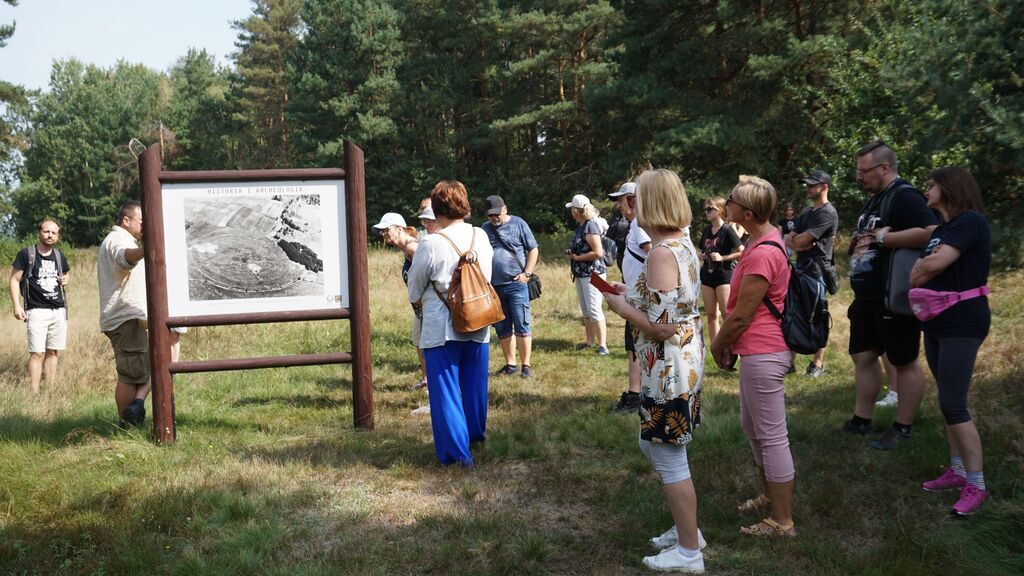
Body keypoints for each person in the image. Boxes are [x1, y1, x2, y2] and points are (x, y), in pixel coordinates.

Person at [603, 168, 707, 572]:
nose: (632, 206)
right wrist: (635, 293)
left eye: (638, 198)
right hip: (676, 363)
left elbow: (663, 326)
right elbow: (671, 304)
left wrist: (622, 307)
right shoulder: (680, 245)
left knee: (668, 456)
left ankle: (688, 551)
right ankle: (688, 531)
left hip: (668, 367)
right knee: (654, 444)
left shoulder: (663, 252)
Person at [710, 175, 797, 538]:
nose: (724, 205)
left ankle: (782, 521)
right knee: (755, 429)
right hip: (758, 351)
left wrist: (717, 344)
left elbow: (743, 314)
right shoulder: (762, 241)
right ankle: (770, 495)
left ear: (745, 212)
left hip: (764, 351)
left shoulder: (762, 253)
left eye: (729, 201)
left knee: (772, 436)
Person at [843, 140, 938, 450]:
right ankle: (861, 420)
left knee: (904, 360)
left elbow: (931, 231)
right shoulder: (875, 199)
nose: (859, 176)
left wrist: (886, 238)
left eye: (864, 170)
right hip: (867, 296)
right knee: (864, 355)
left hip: (892, 294)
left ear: (884, 168)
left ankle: (903, 427)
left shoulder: (905, 197)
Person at [910, 166, 992, 515]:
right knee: (947, 399)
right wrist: (923, 268)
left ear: (949, 187)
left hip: (963, 320)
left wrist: (922, 269)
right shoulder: (943, 228)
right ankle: (957, 471)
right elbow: (925, 266)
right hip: (937, 320)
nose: (926, 190)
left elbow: (932, 265)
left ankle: (977, 484)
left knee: (954, 402)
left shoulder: (970, 222)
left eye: (931, 185)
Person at [406, 180, 494, 466]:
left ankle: (457, 455)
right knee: (474, 384)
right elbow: (487, 276)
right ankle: (475, 436)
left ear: (437, 208)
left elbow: (414, 288)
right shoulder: (480, 235)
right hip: (477, 317)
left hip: (441, 325)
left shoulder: (430, 242)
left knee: (445, 391)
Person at [98, 201, 151, 428]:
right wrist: (148, 248)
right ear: (126, 221)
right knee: (131, 375)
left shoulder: (123, 239)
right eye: (142, 222)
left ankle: (131, 417)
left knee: (138, 370)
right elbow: (125, 257)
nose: (145, 227)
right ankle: (127, 425)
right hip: (125, 319)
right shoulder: (118, 240)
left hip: (127, 318)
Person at [784, 170, 839, 377]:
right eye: (807, 184)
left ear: (824, 187)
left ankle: (817, 364)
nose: (807, 188)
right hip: (801, 269)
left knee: (817, 316)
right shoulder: (807, 212)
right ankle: (789, 362)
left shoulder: (827, 212)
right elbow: (790, 239)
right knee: (794, 312)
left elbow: (799, 241)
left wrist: (798, 241)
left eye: (812, 185)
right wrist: (798, 241)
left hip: (818, 272)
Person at [8, 218, 71, 393]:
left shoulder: (59, 256)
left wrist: (66, 279)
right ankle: (34, 393)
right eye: (46, 231)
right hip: (36, 311)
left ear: (57, 236)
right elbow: (14, 280)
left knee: (53, 352)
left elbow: (65, 275)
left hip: (58, 310)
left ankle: (49, 391)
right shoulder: (26, 254)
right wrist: (16, 306)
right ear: (39, 233)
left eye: (54, 233)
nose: (50, 235)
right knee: (36, 353)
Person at [481, 195, 539, 379]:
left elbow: (533, 249)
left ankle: (526, 366)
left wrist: (527, 274)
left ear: (504, 209)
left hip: (516, 284)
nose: (494, 218)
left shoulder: (519, 223)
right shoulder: (484, 229)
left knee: (522, 324)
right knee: (502, 327)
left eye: (497, 214)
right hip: (494, 287)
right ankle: (510, 364)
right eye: (491, 215)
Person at [608, 182, 652, 413]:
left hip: (640, 297)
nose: (618, 204)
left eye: (622, 199)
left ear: (634, 199)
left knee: (635, 346)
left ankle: (636, 395)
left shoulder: (639, 224)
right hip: (635, 292)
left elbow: (654, 254)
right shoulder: (638, 223)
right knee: (634, 345)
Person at [373, 212, 429, 392]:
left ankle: (433, 385)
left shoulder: (413, 248)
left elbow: (429, 276)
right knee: (419, 341)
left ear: (399, 228)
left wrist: (422, 300)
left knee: (428, 344)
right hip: (419, 307)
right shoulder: (406, 249)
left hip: (427, 306)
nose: (383, 235)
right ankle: (426, 380)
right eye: (381, 232)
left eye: (386, 230)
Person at [566, 194, 609, 355]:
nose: (571, 212)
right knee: (586, 310)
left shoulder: (590, 226)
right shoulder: (581, 226)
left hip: (593, 274)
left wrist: (578, 258)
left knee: (594, 309)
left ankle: (603, 345)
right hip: (581, 274)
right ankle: (590, 341)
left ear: (576, 211)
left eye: (572, 209)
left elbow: (598, 252)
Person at [698, 196, 743, 344]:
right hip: (707, 276)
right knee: (711, 316)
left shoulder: (728, 229)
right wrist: (702, 255)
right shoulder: (706, 231)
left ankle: (732, 347)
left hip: (724, 276)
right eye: (705, 209)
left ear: (720, 211)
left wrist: (723, 258)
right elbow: (704, 249)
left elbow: (742, 251)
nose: (706, 212)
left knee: (726, 315)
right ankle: (716, 347)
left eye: (710, 209)